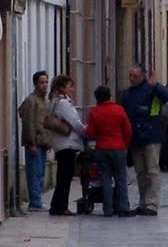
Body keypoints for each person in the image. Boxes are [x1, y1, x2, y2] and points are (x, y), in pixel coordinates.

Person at [120, 65, 168, 216]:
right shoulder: (127, 94)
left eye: (134, 76)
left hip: (151, 136)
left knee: (152, 170)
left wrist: (155, 85)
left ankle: (152, 204)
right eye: (130, 75)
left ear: (142, 76)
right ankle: (143, 202)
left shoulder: (152, 89)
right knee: (140, 172)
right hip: (135, 138)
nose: (131, 79)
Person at [84, 85, 133, 217]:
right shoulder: (119, 110)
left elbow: (90, 132)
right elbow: (128, 130)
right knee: (121, 178)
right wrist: (125, 145)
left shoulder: (95, 112)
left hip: (102, 148)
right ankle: (123, 208)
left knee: (105, 179)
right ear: (110, 96)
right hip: (118, 148)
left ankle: (108, 209)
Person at [45, 74, 86, 216]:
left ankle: (56, 205)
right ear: (62, 88)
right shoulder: (63, 103)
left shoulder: (55, 101)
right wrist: (87, 131)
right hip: (67, 144)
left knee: (63, 176)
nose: (73, 89)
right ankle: (60, 207)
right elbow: (75, 122)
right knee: (65, 177)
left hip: (61, 144)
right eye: (70, 86)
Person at [16, 70, 51, 211]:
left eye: (46, 82)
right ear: (36, 84)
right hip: (35, 143)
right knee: (34, 173)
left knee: (40, 173)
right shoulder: (31, 101)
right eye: (42, 82)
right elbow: (28, 122)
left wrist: (48, 141)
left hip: (42, 142)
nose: (45, 85)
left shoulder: (45, 101)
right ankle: (35, 201)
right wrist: (31, 142)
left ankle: (37, 199)